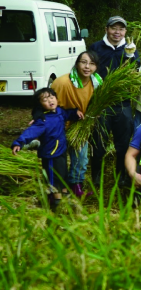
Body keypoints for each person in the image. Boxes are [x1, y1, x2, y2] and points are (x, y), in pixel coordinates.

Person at [11, 88, 84, 210]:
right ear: (40, 105)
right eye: (45, 100)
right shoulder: (43, 120)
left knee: (63, 174)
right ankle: (56, 202)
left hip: (61, 151)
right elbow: (31, 131)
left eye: (51, 97)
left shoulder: (59, 112)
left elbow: (67, 114)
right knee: (53, 178)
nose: (50, 101)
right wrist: (19, 142)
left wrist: (75, 113)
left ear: (56, 99)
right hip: (50, 154)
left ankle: (66, 196)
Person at [89, 16, 137, 187]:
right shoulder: (96, 47)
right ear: (106, 29)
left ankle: (121, 177)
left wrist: (130, 57)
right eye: (114, 28)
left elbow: (135, 72)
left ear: (125, 31)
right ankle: (96, 176)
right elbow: (87, 68)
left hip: (123, 103)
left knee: (123, 143)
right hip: (101, 103)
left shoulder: (130, 48)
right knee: (98, 142)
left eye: (121, 29)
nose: (117, 32)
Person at [50, 50, 101, 198]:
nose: (87, 67)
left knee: (81, 157)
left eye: (92, 63)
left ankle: (76, 186)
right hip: (59, 125)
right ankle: (58, 188)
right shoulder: (62, 83)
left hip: (80, 126)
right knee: (58, 158)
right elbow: (48, 106)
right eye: (83, 62)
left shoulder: (97, 83)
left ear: (96, 67)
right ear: (77, 64)